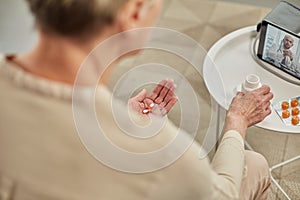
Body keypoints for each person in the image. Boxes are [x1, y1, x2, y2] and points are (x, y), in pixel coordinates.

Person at [0, 0, 273, 199]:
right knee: (256, 164)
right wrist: (237, 122)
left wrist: (119, 122)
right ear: (134, 13)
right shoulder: (168, 158)